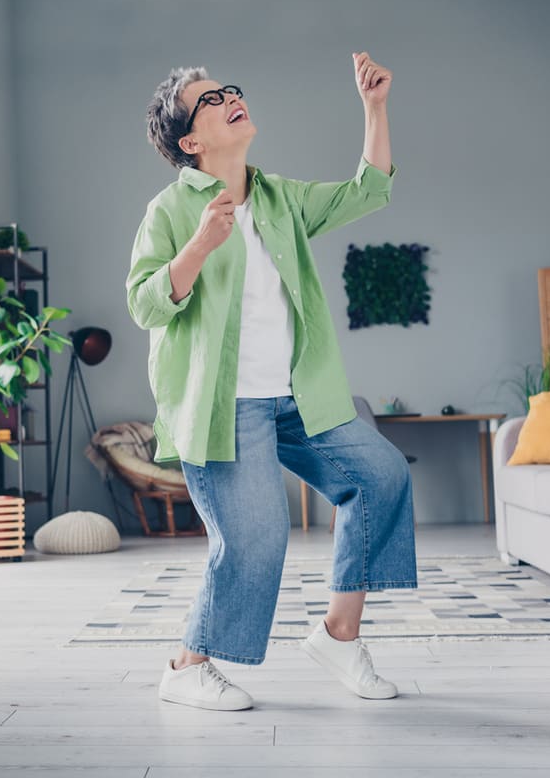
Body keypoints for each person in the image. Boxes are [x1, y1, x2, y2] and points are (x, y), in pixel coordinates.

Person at [127, 53, 418, 712]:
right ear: (190, 142)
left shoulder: (279, 198)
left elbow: (366, 191)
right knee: (257, 540)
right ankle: (185, 665)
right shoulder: (170, 210)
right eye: (210, 99)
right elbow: (144, 304)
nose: (231, 97)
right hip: (223, 408)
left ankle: (340, 636)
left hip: (300, 399)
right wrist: (197, 247)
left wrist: (374, 109)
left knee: (382, 477)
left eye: (231, 89)